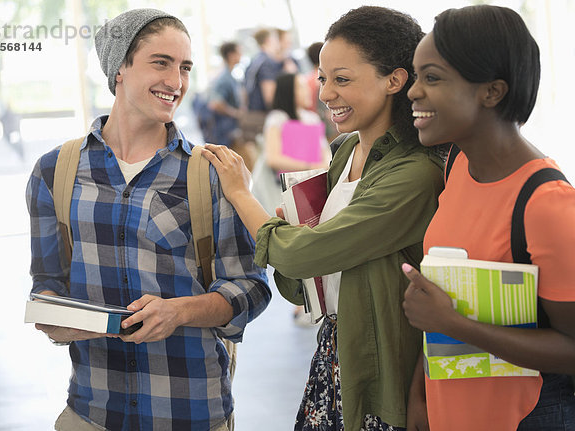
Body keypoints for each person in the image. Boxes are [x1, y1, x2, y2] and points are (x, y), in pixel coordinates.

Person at [25, 9, 270, 431]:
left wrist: (179, 312)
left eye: (185, 67)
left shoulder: (210, 173)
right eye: (161, 62)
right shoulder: (55, 171)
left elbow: (251, 287)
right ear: (120, 67)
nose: (176, 82)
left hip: (190, 412)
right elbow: (47, 286)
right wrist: (53, 319)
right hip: (92, 412)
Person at [203, 6, 445, 431]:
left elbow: (305, 254)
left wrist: (240, 194)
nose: (325, 93)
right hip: (334, 352)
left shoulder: (416, 173)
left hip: (381, 371)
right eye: (322, 77)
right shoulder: (346, 151)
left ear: (394, 80)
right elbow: (307, 279)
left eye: (343, 79)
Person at [401, 5, 575, 431]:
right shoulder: (456, 162)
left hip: (527, 416)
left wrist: (452, 324)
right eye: (416, 74)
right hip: (452, 409)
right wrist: (419, 396)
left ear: (492, 92)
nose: (412, 91)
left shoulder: (548, 204)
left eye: (432, 77)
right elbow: (443, 289)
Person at [263, 73, 330, 173]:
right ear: (288, 92)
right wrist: (311, 167)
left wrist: (325, 166)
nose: (308, 91)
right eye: (301, 87)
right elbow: (273, 159)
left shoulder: (313, 119)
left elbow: (325, 152)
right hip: (281, 184)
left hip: (314, 176)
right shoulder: (277, 118)